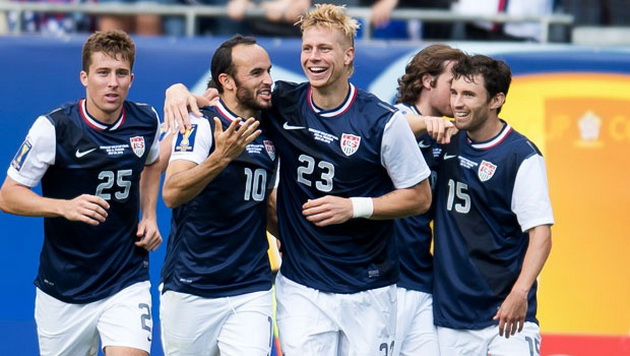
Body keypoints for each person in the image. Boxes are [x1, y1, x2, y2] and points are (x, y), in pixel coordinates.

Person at [164, 5, 432, 355]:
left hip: (369, 287)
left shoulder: (382, 121)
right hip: (301, 286)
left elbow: (420, 198)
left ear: (349, 55)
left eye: (324, 49)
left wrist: (355, 207)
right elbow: (228, 100)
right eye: (307, 48)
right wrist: (179, 90)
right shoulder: (282, 104)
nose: (313, 58)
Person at [0, 30, 162, 355]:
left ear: (132, 78)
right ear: (84, 77)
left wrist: (149, 214)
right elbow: (8, 195)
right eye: (103, 73)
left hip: (125, 278)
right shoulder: (54, 129)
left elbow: (153, 163)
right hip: (63, 288)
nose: (112, 83)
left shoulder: (146, 120)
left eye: (120, 73)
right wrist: (64, 207)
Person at [159, 35, 278, 355]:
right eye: (256, 74)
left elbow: (264, 204)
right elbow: (171, 193)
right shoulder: (199, 124)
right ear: (226, 80)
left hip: (250, 285)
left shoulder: (273, 125)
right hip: (191, 285)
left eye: (268, 71)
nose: (268, 81)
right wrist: (221, 157)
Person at [431, 54, 553, 355]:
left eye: (469, 95)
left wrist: (520, 293)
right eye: (455, 92)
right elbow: (383, 130)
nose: (458, 103)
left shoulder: (520, 156)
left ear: (496, 99)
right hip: (451, 319)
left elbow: (541, 235)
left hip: (506, 317)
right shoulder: (443, 140)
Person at [391, 43, 465, 356]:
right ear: (427, 81)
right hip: (385, 281)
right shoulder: (396, 118)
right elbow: (380, 128)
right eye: (453, 85)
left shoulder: (449, 135)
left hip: (421, 277)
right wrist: (424, 124)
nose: (458, 95)